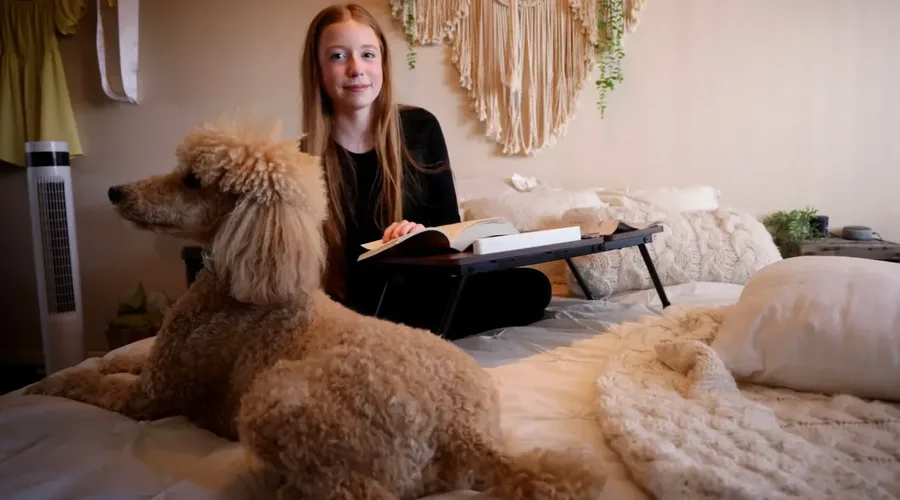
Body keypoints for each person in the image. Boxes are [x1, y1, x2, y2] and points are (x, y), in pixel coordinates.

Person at [299, 3, 551, 339]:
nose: (356, 68)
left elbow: (450, 230)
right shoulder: (302, 157)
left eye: (368, 54)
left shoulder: (420, 128)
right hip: (354, 298)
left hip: (424, 289)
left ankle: (397, 332)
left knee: (533, 285)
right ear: (317, 69)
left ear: (384, 64)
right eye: (338, 56)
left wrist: (419, 237)